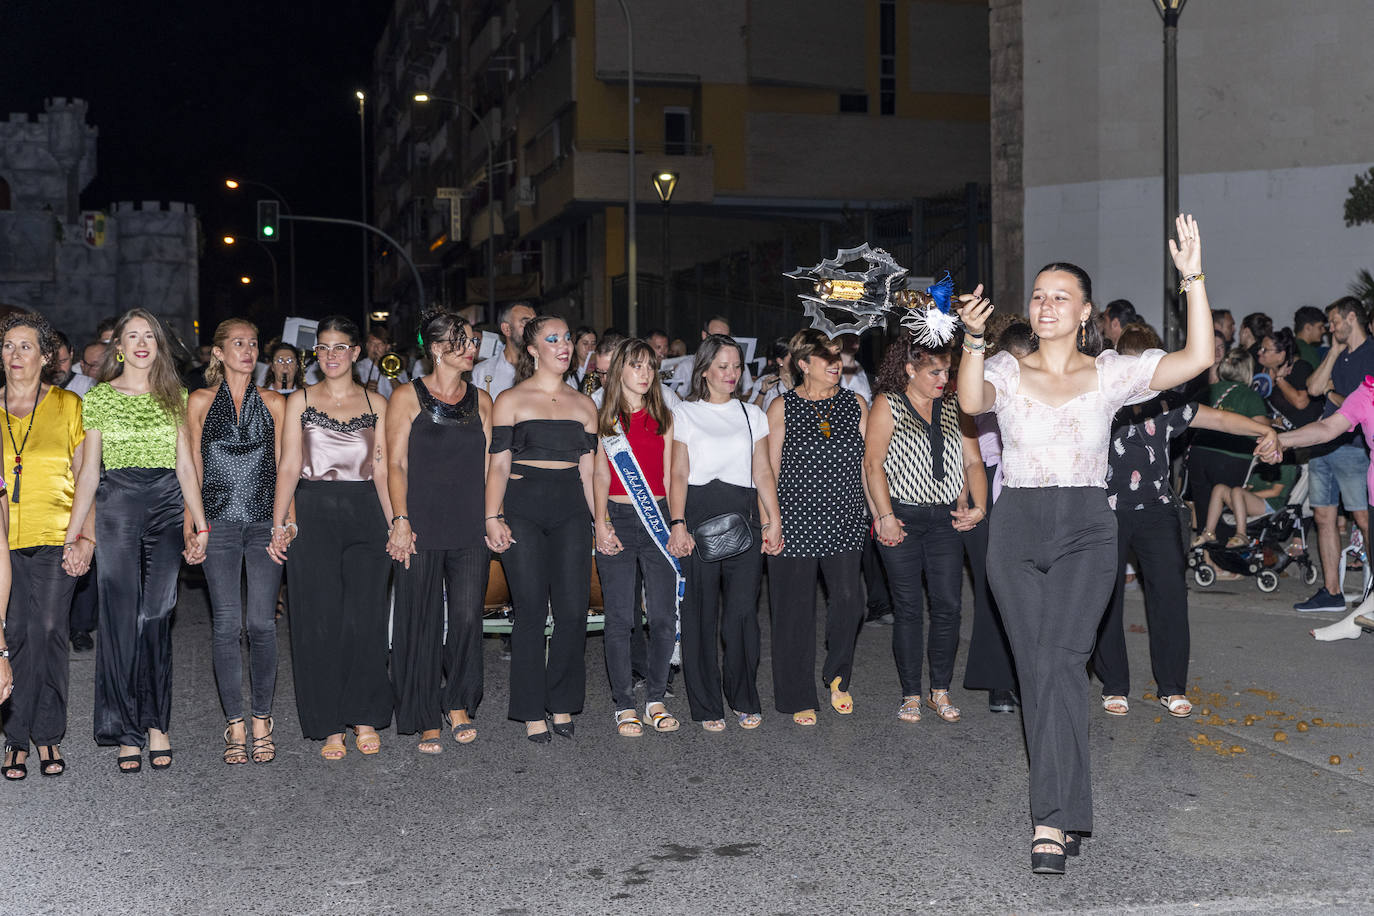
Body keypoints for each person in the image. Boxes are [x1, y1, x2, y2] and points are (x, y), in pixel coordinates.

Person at [954, 214, 1214, 874]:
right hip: (1015, 529)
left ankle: (1048, 820)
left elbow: (1198, 357)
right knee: (1043, 670)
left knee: (1061, 660)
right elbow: (968, 398)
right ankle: (1069, 808)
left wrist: (1192, 278)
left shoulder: (1111, 373)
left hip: (1086, 527)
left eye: (1059, 296)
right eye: (1038, 295)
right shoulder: (1006, 371)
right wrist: (974, 340)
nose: (1045, 305)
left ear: (1086, 312)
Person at [1095, 322, 1279, 719]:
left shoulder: (1168, 403)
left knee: (1170, 597)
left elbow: (1223, 420)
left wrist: (1266, 430)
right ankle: (1114, 685)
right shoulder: (1101, 400)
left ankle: (1172, 686)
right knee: (1104, 598)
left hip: (1158, 509)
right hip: (1107, 509)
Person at [68, 308, 210, 773]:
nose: (142, 343)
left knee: (157, 614)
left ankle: (156, 722)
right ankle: (128, 729)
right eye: (132, 336)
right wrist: (77, 532)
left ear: (159, 345)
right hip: (117, 507)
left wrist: (199, 524)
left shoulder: (176, 396)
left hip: (168, 506)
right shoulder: (100, 398)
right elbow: (89, 470)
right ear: (120, 347)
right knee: (120, 617)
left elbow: (187, 466)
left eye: (149, 335)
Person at [268, 315, 393, 760]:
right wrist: (280, 521)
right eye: (323, 348)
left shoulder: (378, 403)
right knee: (318, 621)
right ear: (314, 353)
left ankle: (363, 715)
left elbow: (382, 469)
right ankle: (329, 724)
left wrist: (397, 521)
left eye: (341, 347)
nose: (332, 355)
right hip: (315, 512)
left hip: (366, 515)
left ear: (357, 352)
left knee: (365, 619)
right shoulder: (298, 401)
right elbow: (287, 466)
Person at [484, 316, 598, 742]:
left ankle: (563, 702)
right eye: (553, 339)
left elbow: (590, 474)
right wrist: (491, 516)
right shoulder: (510, 400)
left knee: (572, 611)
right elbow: (498, 463)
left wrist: (600, 523)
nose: (564, 345)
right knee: (531, 611)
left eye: (567, 337)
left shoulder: (585, 405)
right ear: (532, 350)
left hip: (570, 507)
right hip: (522, 507)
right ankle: (531, 709)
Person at [385, 310, 493, 753]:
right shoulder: (406, 397)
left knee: (468, 618)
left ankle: (459, 702)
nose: (471, 348)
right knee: (421, 620)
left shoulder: (482, 400)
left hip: (469, 523)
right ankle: (425, 711)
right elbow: (394, 463)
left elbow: (490, 468)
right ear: (435, 349)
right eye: (461, 341)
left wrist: (494, 515)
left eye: (471, 341)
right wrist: (400, 519)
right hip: (422, 523)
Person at [865, 337, 984, 726]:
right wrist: (883, 516)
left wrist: (976, 504)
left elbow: (973, 461)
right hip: (901, 516)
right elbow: (873, 464)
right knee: (909, 609)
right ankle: (911, 694)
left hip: (944, 521)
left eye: (947, 371)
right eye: (935, 371)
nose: (943, 378)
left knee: (949, 605)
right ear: (910, 369)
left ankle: (940, 690)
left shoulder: (955, 405)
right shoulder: (888, 403)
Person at [667, 334, 782, 731]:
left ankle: (744, 696)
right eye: (723, 366)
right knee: (698, 613)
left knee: (742, 615)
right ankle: (705, 703)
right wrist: (677, 523)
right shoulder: (684, 413)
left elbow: (763, 471)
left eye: (737, 366)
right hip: (697, 515)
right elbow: (678, 472)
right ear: (704, 370)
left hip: (744, 518)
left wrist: (773, 519)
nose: (732, 374)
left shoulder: (753, 414)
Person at [184, 319, 286, 765]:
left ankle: (262, 718)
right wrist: (193, 525)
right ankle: (235, 724)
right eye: (237, 343)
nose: (247, 349)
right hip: (218, 523)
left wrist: (288, 525)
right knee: (226, 625)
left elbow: (287, 469)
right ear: (219, 353)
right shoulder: (200, 401)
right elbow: (192, 468)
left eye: (253, 343)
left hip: (265, 523)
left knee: (262, 624)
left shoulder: (276, 403)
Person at [0, 313, 89, 779]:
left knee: (51, 628)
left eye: (26, 346)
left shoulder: (70, 405)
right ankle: (16, 738)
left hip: (58, 534)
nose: (16, 355)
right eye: (8, 346)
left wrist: (87, 536)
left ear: (47, 355)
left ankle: (48, 736)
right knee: (14, 632)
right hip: (3, 542)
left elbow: (88, 477)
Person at [767, 329, 868, 726]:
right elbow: (769, 471)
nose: (835, 363)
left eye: (837, 356)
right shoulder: (781, 407)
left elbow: (867, 465)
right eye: (825, 358)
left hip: (844, 519)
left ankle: (838, 675)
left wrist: (881, 511)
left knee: (850, 601)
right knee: (794, 612)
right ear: (803, 364)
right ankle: (798, 695)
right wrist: (769, 521)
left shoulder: (855, 403)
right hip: (794, 520)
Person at [592, 338, 681, 736]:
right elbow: (597, 474)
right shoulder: (604, 419)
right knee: (620, 618)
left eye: (650, 367)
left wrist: (677, 522)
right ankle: (624, 704)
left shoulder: (665, 416)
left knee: (662, 616)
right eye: (636, 366)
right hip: (617, 516)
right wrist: (600, 521)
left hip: (656, 517)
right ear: (618, 372)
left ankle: (656, 698)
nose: (644, 374)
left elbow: (669, 476)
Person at [961, 321, 1034, 713]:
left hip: (1032, 487)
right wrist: (968, 498)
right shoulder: (986, 383)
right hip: (989, 484)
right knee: (995, 591)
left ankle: (1030, 676)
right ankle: (998, 681)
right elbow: (970, 447)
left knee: (1030, 595)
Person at [1293, 297, 1374, 612]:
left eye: (1335, 322)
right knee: (1324, 516)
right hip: (1322, 447)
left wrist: (1330, 392)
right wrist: (1335, 353)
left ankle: (1371, 591)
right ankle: (1331, 591)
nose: (1330, 328)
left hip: (1353, 449)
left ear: (1351, 317)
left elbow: (1361, 408)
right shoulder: (1335, 354)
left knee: (1365, 520)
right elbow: (1313, 387)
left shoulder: (1371, 354)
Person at [1283, 376, 1374, 638]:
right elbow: (1326, 429)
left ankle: (1354, 623)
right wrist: (1283, 440)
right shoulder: (1367, 392)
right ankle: (1356, 622)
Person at [1186, 348, 1270, 520]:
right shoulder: (1250, 396)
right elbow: (1261, 430)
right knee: (1226, 511)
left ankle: (1205, 544)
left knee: (1204, 510)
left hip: (1199, 454)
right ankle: (1223, 544)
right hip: (1232, 458)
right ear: (1248, 371)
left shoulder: (1206, 391)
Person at [473, 302, 537, 399]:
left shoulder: (546, 368)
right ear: (506, 329)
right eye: (526, 323)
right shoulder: (482, 372)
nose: (534, 329)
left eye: (535, 323)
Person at [1258, 329, 1319, 430]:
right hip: (1282, 434)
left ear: (1281, 355)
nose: (1259, 352)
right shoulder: (1264, 372)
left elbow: (1301, 403)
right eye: (1260, 348)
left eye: (1265, 350)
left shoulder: (1301, 367)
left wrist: (1279, 379)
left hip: (1308, 434)